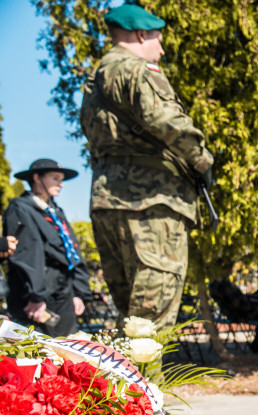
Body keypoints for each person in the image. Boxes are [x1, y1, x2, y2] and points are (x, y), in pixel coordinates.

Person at [79, 4, 214, 332]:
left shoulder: (94, 81)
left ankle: (124, 370)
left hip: (107, 203)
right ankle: (143, 370)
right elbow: (165, 119)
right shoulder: (138, 70)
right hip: (151, 204)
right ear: (141, 35)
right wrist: (202, 161)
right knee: (149, 326)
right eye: (158, 40)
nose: (162, 50)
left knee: (130, 321)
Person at [3, 159, 91, 336]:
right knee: (38, 345)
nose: (61, 184)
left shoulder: (56, 212)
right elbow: (27, 253)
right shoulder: (20, 208)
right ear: (37, 178)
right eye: (55, 178)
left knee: (67, 343)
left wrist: (79, 292)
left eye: (61, 180)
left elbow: (72, 251)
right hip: (37, 291)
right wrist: (36, 295)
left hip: (64, 289)